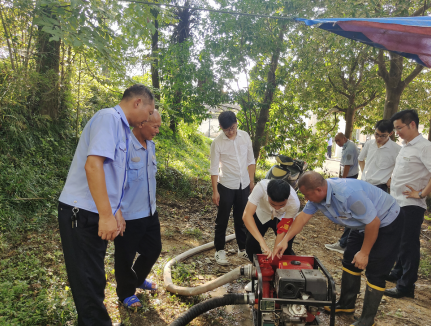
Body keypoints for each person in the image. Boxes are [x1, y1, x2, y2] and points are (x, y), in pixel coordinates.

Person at [58, 85, 155, 325]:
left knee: (94, 282)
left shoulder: (122, 128)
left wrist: (115, 210)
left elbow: (112, 176)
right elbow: (93, 166)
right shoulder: (108, 118)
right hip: (81, 215)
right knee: (89, 288)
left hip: (94, 214)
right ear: (138, 102)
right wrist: (105, 214)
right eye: (149, 111)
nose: (149, 117)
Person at [274, 172, 403, 326]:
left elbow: (373, 223)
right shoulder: (318, 197)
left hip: (386, 221)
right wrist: (285, 240)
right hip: (361, 224)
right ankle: (346, 305)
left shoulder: (348, 195)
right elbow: (302, 218)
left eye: (307, 195)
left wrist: (364, 252)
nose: (306, 199)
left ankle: (367, 320)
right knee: (349, 259)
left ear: (318, 190)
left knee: (375, 270)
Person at [114, 110, 162, 309]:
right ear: (141, 123)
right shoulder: (124, 146)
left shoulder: (150, 145)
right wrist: (116, 212)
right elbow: (114, 181)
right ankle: (125, 293)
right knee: (125, 254)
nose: (157, 131)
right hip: (129, 213)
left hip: (149, 211)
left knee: (153, 249)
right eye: (155, 126)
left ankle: (137, 278)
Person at [384, 109, 431, 299]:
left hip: (411, 205)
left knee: (408, 245)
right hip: (398, 202)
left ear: (412, 124)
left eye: (399, 128)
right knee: (399, 241)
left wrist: (421, 193)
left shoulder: (425, 146)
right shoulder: (407, 145)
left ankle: (406, 286)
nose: (396, 133)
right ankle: (397, 273)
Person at [210, 111, 256, 265]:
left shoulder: (245, 136)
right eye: (227, 129)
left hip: (243, 184)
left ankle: (242, 248)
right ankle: (220, 250)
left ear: (237, 122)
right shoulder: (217, 142)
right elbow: (214, 168)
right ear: (221, 128)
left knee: (241, 218)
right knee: (222, 219)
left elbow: (250, 160)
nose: (231, 131)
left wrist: (251, 180)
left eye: (233, 127)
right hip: (226, 185)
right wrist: (215, 191)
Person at [242, 179, 300, 291]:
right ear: (267, 194)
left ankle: (282, 278)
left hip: (282, 217)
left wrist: (275, 250)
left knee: (283, 250)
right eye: (273, 204)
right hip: (261, 213)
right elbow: (246, 215)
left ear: (287, 198)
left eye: (281, 205)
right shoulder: (260, 188)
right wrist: (262, 242)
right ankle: (258, 277)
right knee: (251, 244)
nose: (277, 207)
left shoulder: (294, 202)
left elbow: (283, 229)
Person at [325, 132, 360, 254]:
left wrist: (342, 181)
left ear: (344, 138)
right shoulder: (347, 145)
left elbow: (347, 165)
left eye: (338, 141)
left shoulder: (349, 147)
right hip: (347, 178)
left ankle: (343, 243)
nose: (337, 143)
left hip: (349, 178)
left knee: (348, 211)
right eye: (335, 141)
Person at [358, 120, 401, 193]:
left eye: (383, 136)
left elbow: (400, 168)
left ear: (390, 133)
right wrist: (364, 172)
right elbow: (360, 159)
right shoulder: (369, 144)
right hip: (364, 183)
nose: (378, 138)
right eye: (376, 134)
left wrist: (391, 179)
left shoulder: (396, 149)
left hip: (380, 187)